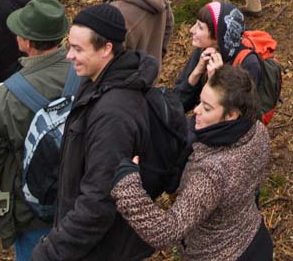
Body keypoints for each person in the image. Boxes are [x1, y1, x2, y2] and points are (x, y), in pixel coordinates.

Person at [33, 4, 158, 261]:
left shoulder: (113, 114)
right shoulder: (96, 82)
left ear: (107, 49)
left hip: (101, 249)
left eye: (78, 49)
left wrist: (52, 252)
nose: (69, 56)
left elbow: (99, 201)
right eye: (69, 46)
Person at [112, 65, 272, 260]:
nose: (196, 111)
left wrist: (127, 185)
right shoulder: (257, 131)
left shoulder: (211, 173)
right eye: (200, 102)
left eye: (207, 108)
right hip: (253, 237)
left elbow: (164, 232)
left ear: (231, 115)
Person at [0, 0, 74, 261]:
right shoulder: (86, 72)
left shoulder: (4, 96)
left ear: (26, 42)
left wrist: (5, 187)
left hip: (31, 210)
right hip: (80, 195)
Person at [171, 2, 264, 113]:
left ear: (217, 36)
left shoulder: (248, 63)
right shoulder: (204, 51)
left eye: (200, 27)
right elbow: (177, 105)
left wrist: (216, 81)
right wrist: (195, 74)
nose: (192, 30)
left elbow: (238, 116)